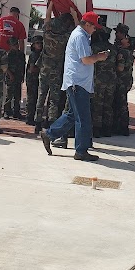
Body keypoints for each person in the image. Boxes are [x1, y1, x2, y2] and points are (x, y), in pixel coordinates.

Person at [40, 11, 109, 162]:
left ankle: (50, 134)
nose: (95, 29)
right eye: (94, 27)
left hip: (78, 82)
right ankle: (81, 151)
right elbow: (85, 60)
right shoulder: (80, 37)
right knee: (83, 118)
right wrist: (99, 57)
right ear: (87, 24)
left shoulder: (82, 35)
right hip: (78, 83)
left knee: (73, 115)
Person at [34, 5, 75, 133]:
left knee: (41, 96)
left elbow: (46, 19)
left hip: (44, 70)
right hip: (56, 72)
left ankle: (37, 122)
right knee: (54, 99)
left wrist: (51, 4)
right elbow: (77, 30)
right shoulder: (65, 37)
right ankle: (51, 121)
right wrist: (74, 15)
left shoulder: (47, 34)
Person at [90, 26, 117, 138]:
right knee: (108, 104)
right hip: (111, 80)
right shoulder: (114, 48)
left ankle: (96, 128)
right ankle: (107, 129)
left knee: (97, 104)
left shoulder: (95, 47)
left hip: (99, 79)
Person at [112, 33, 134, 136]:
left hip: (121, 81)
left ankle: (122, 127)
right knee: (123, 103)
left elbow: (120, 68)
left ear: (128, 44)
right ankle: (123, 126)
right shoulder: (130, 54)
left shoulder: (123, 53)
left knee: (121, 104)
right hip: (127, 81)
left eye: (126, 39)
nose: (123, 39)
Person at [4, 36, 26, 119]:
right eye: (14, 44)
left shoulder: (21, 54)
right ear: (10, 45)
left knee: (17, 95)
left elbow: (23, 65)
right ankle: (7, 111)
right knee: (9, 95)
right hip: (11, 77)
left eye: (16, 44)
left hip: (18, 77)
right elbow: (5, 67)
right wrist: (10, 75)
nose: (16, 46)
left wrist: (23, 76)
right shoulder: (8, 55)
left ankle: (16, 111)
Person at [25, 35, 43, 125]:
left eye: (40, 43)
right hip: (32, 79)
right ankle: (29, 117)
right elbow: (32, 69)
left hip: (36, 79)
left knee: (36, 98)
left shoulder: (40, 54)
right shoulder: (34, 55)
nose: (39, 45)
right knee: (31, 99)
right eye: (37, 43)